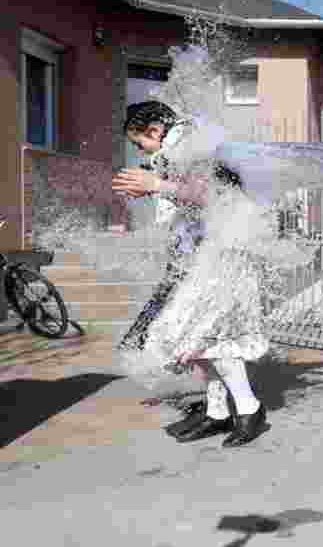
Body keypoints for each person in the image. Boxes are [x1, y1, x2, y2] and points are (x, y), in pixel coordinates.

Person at [113, 101, 271, 448]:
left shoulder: (187, 145)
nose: (142, 150)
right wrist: (153, 186)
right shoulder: (180, 146)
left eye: (141, 143)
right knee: (194, 334)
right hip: (209, 251)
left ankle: (249, 408)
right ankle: (217, 411)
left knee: (210, 332)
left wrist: (155, 184)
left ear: (154, 130)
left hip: (228, 252)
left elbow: (209, 194)